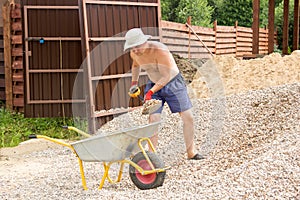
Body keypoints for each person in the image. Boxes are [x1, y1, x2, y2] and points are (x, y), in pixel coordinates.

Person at [124, 28, 203, 160]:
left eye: (137, 46)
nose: (135, 50)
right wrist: (134, 83)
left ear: (145, 41)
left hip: (173, 83)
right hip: (154, 84)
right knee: (153, 119)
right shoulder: (135, 53)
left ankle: (191, 152)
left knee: (187, 117)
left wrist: (150, 92)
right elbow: (135, 66)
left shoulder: (160, 51)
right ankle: (152, 155)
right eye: (132, 48)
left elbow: (166, 76)